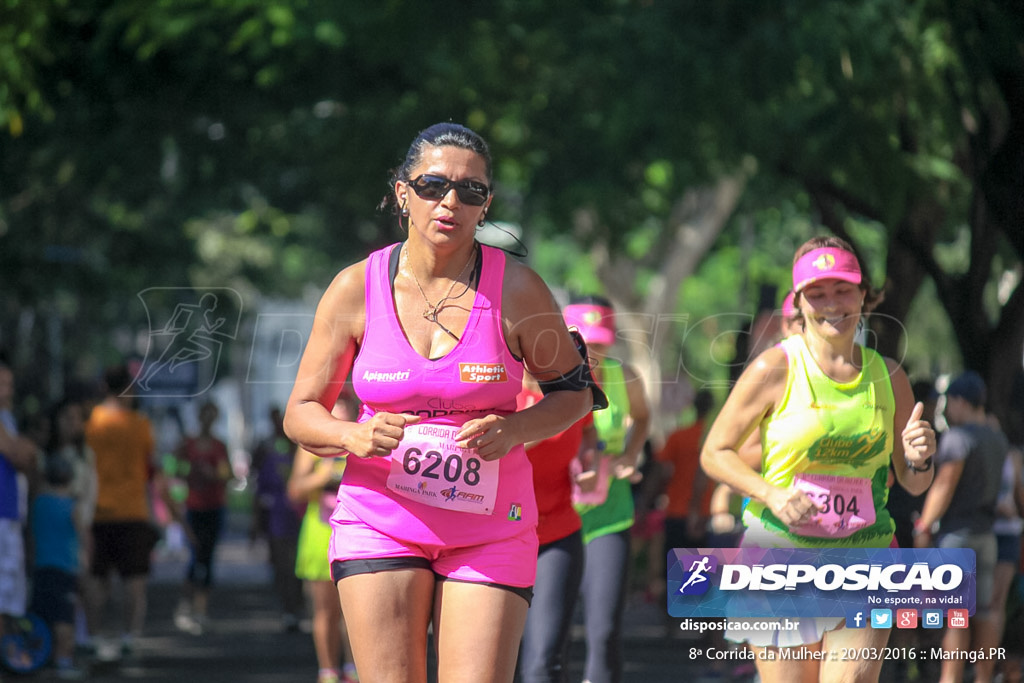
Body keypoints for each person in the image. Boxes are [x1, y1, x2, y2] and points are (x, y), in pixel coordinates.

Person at [282, 122, 600, 683]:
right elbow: (302, 411)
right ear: (403, 192)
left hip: (490, 528)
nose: (449, 201)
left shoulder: (519, 290)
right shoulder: (355, 288)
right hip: (381, 518)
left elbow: (574, 394)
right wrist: (351, 436)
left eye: (470, 191)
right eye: (432, 185)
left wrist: (515, 429)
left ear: (486, 205)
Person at [700, 236, 936, 683]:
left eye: (843, 290)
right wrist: (769, 493)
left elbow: (914, 482)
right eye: (817, 293)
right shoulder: (774, 368)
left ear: (864, 295)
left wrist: (920, 458)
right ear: (801, 302)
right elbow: (715, 452)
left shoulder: (890, 376)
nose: (832, 304)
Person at [563, 295, 651, 683]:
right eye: (583, 341)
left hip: (608, 511)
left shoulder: (623, 375)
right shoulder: (541, 376)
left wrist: (629, 455)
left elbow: (644, 418)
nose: (592, 352)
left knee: (604, 631)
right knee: (547, 630)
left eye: (600, 342)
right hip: (549, 513)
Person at [914, 371, 1009, 683]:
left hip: (957, 538)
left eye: (948, 403)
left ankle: (950, 679)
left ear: (957, 400)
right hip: (987, 535)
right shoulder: (997, 438)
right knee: (985, 612)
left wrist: (924, 525)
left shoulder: (958, 437)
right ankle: (984, 677)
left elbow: (944, 484)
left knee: (956, 618)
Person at [516, 372, 595, 683]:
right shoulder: (498, 391)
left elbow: (589, 433)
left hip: (556, 534)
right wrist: (530, 426)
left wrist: (588, 461)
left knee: (543, 663)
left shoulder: (575, 395)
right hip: (495, 540)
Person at [84, 363, 162, 660]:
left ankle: (92, 637)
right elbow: (151, 469)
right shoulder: (140, 425)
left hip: (97, 511)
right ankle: (129, 636)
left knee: (96, 579)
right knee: (134, 580)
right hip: (133, 511)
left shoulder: (91, 424)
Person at [288, 396, 359, 683]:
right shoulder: (313, 446)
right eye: (335, 404)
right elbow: (294, 489)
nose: (340, 409)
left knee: (355, 612)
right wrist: (323, 477)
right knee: (325, 610)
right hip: (321, 534)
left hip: (357, 534)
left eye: (345, 404)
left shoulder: (363, 436)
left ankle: (354, 669)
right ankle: (328, 671)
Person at [173, 400, 233, 635]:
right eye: (204, 414)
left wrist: (215, 474)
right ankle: (185, 604)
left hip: (215, 506)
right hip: (194, 507)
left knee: (207, 556)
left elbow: (227, 475)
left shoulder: (219, 445)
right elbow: (175, 469)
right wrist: (192, 471)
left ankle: (201, 608)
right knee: (194, 555)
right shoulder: (188, 444)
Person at [29, 450, 88, 679]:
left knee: (41, 616)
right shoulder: (72, 507)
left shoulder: (39, 503)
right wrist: (84, 566)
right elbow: (82, 538)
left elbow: (31, 538)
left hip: (41, 567)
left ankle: (40, 658)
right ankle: (62, 661)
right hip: (65, 569)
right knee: (64, 618)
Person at [250, 406, 305, 633]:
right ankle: (288, 609)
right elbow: (258, 487)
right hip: (276, 517)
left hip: (299, 515)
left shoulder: (301, 445)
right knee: (281, 565)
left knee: (297, 567)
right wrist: (256, 522)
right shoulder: (265, 448)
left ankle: (297, 608)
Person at [0, 358, 38, 643]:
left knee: (9, 594)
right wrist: (24, 448)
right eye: (4, 384)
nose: (9, 390)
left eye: (10, 384)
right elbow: (20, 456)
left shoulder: (7, 418)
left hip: (11, 512)